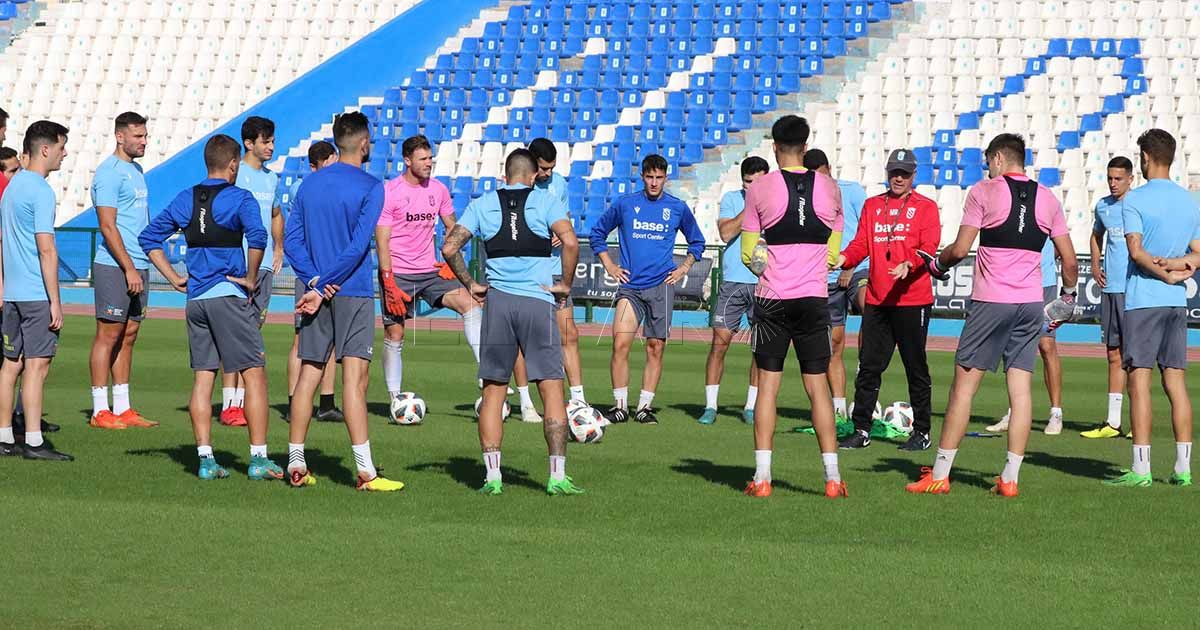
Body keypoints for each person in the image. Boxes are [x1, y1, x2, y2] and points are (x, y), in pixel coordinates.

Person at [908, 133, 1076, 497]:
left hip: (991, 302)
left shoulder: (984, 191)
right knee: (1021, 390)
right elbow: (1070, 260)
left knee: (963, 388)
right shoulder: (1048, 198)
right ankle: (1010, 479)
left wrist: (936, 264)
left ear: (998, 158)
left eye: (988, 162)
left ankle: (940, 474)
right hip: (1030, 304)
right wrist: (1068, 296)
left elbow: (960, 249)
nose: (987, 168)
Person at [138, 134, 283, 480]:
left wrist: (174, 277)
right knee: (254, 373)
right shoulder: (241, 198)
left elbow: (148, 238)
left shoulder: (186, 198)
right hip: (228, 296)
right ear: (233, 165)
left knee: (203, 378)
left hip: (196, 301)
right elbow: (259, 237)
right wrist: (251, 278)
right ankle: (259, 459)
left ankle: (205, 460)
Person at [441, 148, 584, 495]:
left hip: (499, 304)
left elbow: (449, 248)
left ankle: (493, 477)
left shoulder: (483, 203)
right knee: (552, 388)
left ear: (505, 176)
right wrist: (565, 284)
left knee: (493, 392)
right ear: (533, 176)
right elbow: (570, 242)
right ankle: (556, 476)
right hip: (538, 302)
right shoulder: (546, 200)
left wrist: (470, 284)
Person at [284, 111, 403, 491]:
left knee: (309, 373)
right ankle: (366, 471)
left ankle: (296, 463)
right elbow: (356, 247)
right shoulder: (371, 186)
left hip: (315, 290)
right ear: (364, 143)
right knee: (355, 379)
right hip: (350, 291)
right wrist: (326, 284)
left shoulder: (309, 184)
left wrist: (314, 281)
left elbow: (292, 242)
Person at [739, 115, 846, 499]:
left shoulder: (760, 188)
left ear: (774, 147)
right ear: (806, 145)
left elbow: (749, 254)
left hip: (772, 299)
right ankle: (832, 478)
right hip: (813, 299)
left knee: (767, 387)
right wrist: (819, 261)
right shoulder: (830, 188)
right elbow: (833, 249)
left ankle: (763, 478)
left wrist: (769, 263)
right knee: (817, 387)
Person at [1103, 129, 1199, 487]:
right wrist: (1177, 268)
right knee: (1176, 382)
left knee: (1139, 381)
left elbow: (1136, 252)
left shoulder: (1135, 200)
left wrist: (1164, 272)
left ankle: (1141, 469)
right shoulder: (1190, 201)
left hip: (1144, 301)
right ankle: (1183, 469)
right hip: (1175, 304)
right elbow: (1197, 254)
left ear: (1145, 157)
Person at [834, 148, 941, 451]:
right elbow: (860, 244)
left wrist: (910, 263)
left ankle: (921, 432)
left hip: (913, 300)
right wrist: (843, 259)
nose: (899, 178)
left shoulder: (926, 207)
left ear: (913, 175)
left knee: (915, 367)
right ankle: (861, 429)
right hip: (879, 300)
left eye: (904, 173)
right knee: (868, 367)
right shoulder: (872, 205)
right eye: (894, 172)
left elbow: (929, 247)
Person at [375, 135, 486, 422]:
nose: (429, 163)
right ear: (407, 160)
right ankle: (395, 398)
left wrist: (451, 261)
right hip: (398, 272)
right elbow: (382, 239)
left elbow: (453, 227)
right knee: (395, 334)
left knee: (471, 304)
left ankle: (485, 374)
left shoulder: (438, 189)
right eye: (423, 159)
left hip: (430, 271)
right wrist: (388, 280)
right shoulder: (390, 192)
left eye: (430, 158)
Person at [589, 154, 706, 425]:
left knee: (655, 347)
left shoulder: (677, 208)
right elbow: (597, 233)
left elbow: (697, 242)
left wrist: (684, 267)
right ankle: (620, 406)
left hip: (661, 286)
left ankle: (644, 408)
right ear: (642, 176)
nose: (654, 182)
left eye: (659, 177)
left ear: (666, 178)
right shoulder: (625, 204)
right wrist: (610, 265)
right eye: (650, 177)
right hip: (630, 288)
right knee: (620, 343)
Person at [0, 120, 72, 460]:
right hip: (35, 294)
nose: (64, 154)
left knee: (9, 366)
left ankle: (4, 436)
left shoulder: (12, 186)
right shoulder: (41, 191)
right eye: (61, 147)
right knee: (37, 367)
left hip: (13, 293)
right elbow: (46, 249)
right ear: (45, 149)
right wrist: (55, 301)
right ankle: (33, 441)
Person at [87, 112, 157, 430]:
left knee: (129, 335)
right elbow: (107, 225)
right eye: (138, 136)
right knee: (108, 335)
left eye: (145, 135)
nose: (144, 141)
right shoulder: (109, 173)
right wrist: (128, 267)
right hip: (116, 266)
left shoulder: (136, 170)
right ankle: (100, 410)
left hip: (139, 264)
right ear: (120, 136)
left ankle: (124, 407)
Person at [213, 116, 284, 427]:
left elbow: (276, 214)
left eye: (273, 141)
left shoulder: (271, 179)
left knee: (252, 334)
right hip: (237, 265)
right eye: (266, 141)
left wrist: (278, 247)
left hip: (263, 266)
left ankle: (240, 404)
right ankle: (230, 404)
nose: (271, 147)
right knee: (234, 336)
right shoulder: (235, 174)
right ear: (249, 143)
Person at [697, 156, 768, 426]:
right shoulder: (731, 199)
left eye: (759, 182)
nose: (754, 187)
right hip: (734, 282)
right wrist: (751, 206)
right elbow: (726, 234)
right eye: (749, 182)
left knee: (760, 349)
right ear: (742, 182)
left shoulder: (777, 202)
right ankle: (710, 406)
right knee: (719, 343)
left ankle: (750, 407)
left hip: (765, 283)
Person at [985, 239, 1067, 435]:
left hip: (1044, 283)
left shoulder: (1049, 216)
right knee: (1013, 346)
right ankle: (1013, 412)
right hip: (1015, 283)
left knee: (1046, 345)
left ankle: (1056, 414)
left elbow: (1062, 246)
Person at [285, 140, 341, 422]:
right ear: (314, 166)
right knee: (301, 339)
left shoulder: (332, 187)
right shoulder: (303, 188)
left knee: (331, 340)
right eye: (328, 164)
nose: (333, 169)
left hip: (333, 274)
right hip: (309, 274)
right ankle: (294, 402)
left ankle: (326, 402)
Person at [528, 138, 587, 406]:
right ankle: (525, 402)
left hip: (554, 271)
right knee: (524, 340)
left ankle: (578, 401)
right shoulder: (518, 185)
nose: (548, 173)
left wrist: (563, 230)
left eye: (552, 168)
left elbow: (566, 218)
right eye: (543, 168)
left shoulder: (559, 184)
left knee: (569, 333)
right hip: (526, 274)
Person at [1081, 157, 1135, 439]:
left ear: (1130, 179)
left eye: (1118, 179)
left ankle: (1138, 423)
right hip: (1111, 289)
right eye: (1110, 178)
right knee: (1113, 354)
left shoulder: (1139, 205)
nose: (1113, 184)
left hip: (1134, 291)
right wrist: (1095, 263)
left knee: (1135, 357)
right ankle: (1113, 423)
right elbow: (1096, 235)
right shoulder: (1103, 206)